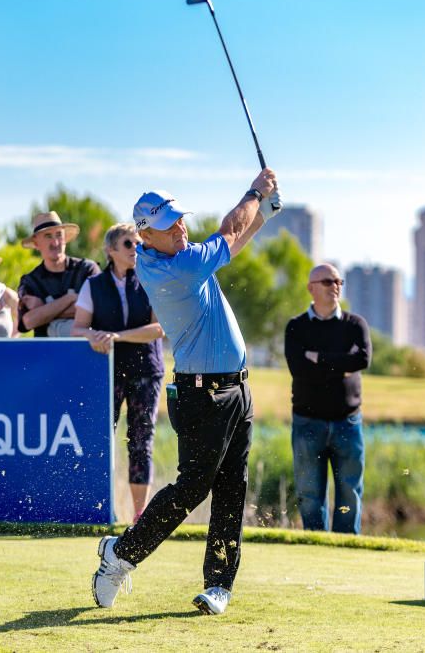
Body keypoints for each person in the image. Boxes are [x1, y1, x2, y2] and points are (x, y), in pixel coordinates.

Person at [91, 167, 280, 617]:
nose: (179, 227)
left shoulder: (183, 256)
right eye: (166, 225)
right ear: (144, 236)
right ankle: (121, 555)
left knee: (233, 487)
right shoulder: (169, 269)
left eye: (179, 219)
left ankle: (219, 585)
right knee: (193, 486)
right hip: (202, 396)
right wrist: (257, 193)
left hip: (237, 390)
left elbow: (231, 242)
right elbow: (230, 231)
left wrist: (263, 215)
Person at [72, 224, 165, 523]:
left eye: (139, 243)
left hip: (145, 371)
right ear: (111, 251)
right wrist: (93, 337)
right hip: (107, 370)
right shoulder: (93, 286)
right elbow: (78, 329)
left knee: (141, 440)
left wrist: (116, 336)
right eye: (128, 243)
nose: (135, 249)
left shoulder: (152, 280)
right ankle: (103, 511)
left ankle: (139, 517)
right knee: (102, 439)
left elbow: (158, 329)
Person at [284, 263, 371, 534]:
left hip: (347, 422)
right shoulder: (296, 327)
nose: (335, 287)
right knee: (310, 496)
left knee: (349, 494)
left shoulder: (355, 324)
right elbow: (298, 369)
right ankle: (316, 547)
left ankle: (346, 550)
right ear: (311, 288)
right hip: (307, 422)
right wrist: (341, 367)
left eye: (338, 281)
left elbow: (363, 360)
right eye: (328, 282)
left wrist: (319, 359)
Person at [17, 211, 100, 337]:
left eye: (59, 235)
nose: (55, 242)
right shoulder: (30, 281)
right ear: (36, 244)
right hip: (46, 354)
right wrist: (71, 299)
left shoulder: (87, 269)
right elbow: (28, 322)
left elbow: (99, 308)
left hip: (85, 351)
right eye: (48, 236)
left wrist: (43, 310)